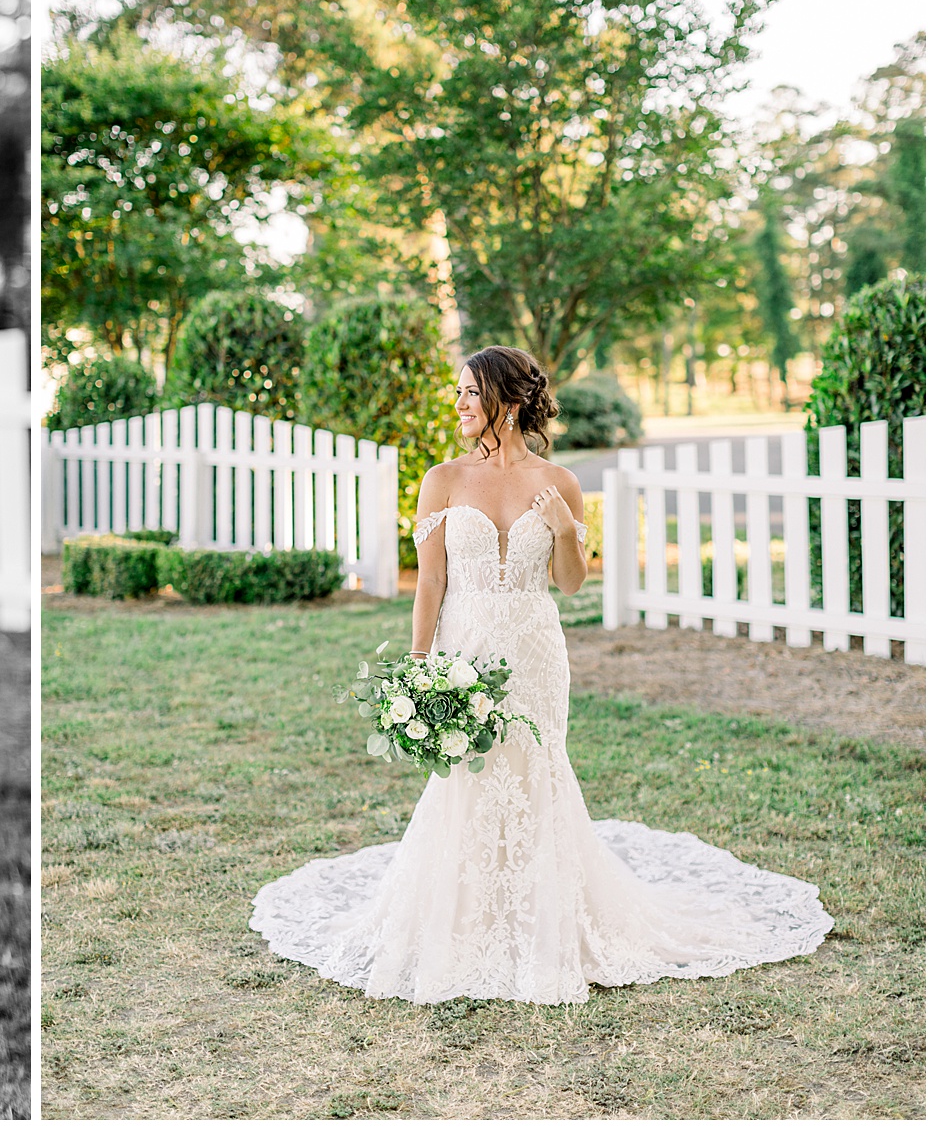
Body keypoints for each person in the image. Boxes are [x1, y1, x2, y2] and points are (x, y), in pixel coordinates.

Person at [250, 344, 832, 1005]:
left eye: (471, 392)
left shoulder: (560, 482)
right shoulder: (441, 479)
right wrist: (419, 665)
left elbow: (571, 583)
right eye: (461, 393)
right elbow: (432, 581)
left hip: (534, 648)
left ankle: (547, 928)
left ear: (508, 398)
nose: (461, 403)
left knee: (536, 771)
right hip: (464, 648)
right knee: (468, 777)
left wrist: (564, 531)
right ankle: (464, 926)